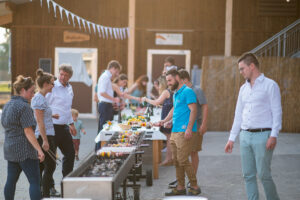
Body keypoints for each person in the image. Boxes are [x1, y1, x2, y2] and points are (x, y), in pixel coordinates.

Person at [225, 52, 282, 200]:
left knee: (264, 175)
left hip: (263, 136)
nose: (241, 72)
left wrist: (274, 135)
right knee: (248, 175)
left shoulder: (270, 85)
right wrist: (231, 139)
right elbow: (238, 115)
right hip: (245, 136)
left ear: (252, 66)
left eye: (242, 68)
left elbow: (277, 112)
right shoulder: (243, 89)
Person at [157, 69, 201, 196]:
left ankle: (194, 185)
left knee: (183, 160)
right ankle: (180, 187)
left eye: (170, 80)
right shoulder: (176, 93)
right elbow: (174, 109)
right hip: (175, 131)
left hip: (184, 131)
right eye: (167, 81)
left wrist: (188, 128)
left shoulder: (188, 91)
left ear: (177, 77)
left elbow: (194, 111)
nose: (168, 83)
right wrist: (164, 121)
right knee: (176, 161)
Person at [1, 75, 45, 200]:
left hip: (10, 148)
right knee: (35, 182)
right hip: (25, 150)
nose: (33, 94)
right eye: (31, 91)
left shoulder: (7, 105)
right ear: (23, 90)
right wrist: (39, 150)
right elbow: (28, 131)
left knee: (11, 181)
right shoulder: (24, 107)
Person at [171, 69, 207, 189]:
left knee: (193, 152)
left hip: (195, 125)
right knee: (183, 155)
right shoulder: (180, 92)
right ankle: (183, 181)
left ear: (184, 79)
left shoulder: (196, 90)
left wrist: (204, 123)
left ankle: (192, 181)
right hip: (183, 127)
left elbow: (204, 107)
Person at [46, 64, 77, 181]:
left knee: (70, 154)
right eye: (61, 74)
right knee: (51, 161)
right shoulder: (52, 87)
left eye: (66, 75)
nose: (62, 77)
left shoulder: (70, 88)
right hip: (51, 127)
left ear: (70, 77)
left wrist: (72, 124)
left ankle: (66, 181)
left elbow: (67, 108)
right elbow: (44, 105)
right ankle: (49, 187)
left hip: (64, 127)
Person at [31, 69, 58, 198]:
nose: (53, 85)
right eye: (52, 83)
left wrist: (52, 115)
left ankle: (41, 193)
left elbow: (42, 116)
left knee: (42, 166)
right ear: (46, 84)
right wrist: (45, 140)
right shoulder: (38, 99)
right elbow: (39, 121)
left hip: (47, 134)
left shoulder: (42, 98)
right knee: (50, 166)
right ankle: (45, 194)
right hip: (44, 136)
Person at [143, 75, 173, 165]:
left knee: (169, 139)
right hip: (169, 116)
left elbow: (156, 102)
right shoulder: (170, 91)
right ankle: (171, 159)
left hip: (167, 118)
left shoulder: (166, 91)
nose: (158, 87)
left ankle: (168, 159)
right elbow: (167, 104)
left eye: (159, 84)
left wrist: (145, 99)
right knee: (170, 138)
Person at [96, 60, 121, 149]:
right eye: (117, 72)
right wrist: (114, 99)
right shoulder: (105, 77)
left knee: (106, 128)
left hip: (107, 105)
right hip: (105, 106)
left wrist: (112, 101)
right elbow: (102, 93)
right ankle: (99, 150)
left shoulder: (107, 77)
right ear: (112, 68)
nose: (117, 74)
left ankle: (101, 148)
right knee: (104, 129)